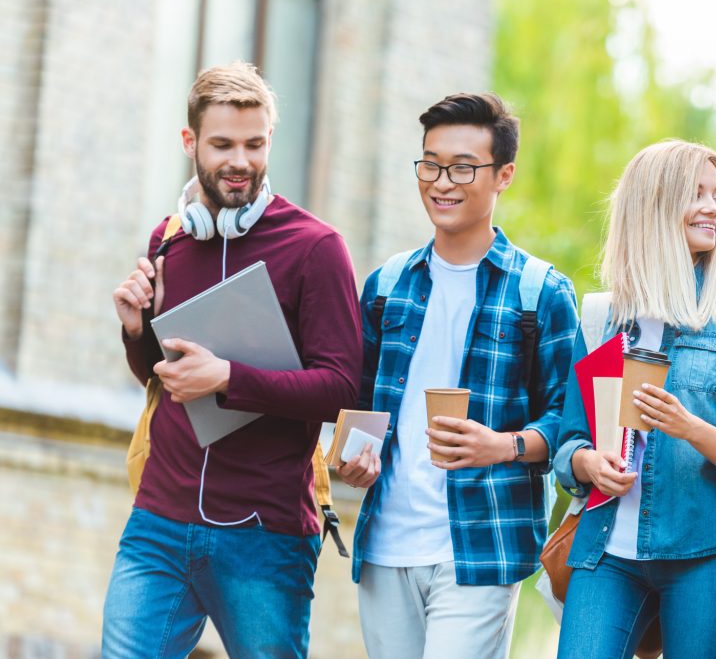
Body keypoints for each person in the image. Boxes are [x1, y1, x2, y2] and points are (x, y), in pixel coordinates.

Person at [104, 61, 362, 658]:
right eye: (222, 144)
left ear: (270, 139)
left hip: (263, 534)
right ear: (190, 142)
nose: (239, 161)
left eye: (254, 143)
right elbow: (162, 378)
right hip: (158, 523)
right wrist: (136, 331)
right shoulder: (168, 239)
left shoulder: (317, 248)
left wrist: (228, 377)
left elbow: (341, 386)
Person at [348, 92, 579, 659]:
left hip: (482, 544)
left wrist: (502, 445)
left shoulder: (540, 292)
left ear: (504, 176)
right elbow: (359, 399)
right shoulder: (385, 285)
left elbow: (572, 422)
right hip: (385, 543)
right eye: (430, 163)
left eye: (462, 167)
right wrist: (351, 454)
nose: (441, 181)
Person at [553, 139, 716, 659]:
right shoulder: (603, 315)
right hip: (606, 551)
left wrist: (689, 427)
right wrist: (590, 462)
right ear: (652, 203)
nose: (712, 208)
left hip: (709, 556)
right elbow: (569, 445)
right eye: (694, 193)